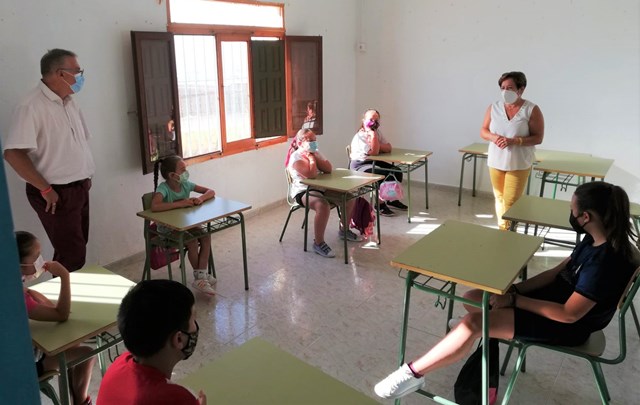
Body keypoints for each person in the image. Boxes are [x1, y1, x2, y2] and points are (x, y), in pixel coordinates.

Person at [374, 181, 637, 400]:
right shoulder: (594, 240)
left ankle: (412, 375)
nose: (571, 214)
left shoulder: (606, 262)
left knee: (473, 323)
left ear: (586, 217)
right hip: (553, 302)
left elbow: (569, 315)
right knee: (473, 297)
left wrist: (514, 300)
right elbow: (556, 273)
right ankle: (468, 335)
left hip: (567, 326)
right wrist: (511, 291)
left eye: (572, 210)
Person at [3, 49, 95, 271]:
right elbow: (13, 153)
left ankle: (63, 300)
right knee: (72, 255)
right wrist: (44, 189)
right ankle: (63, 304)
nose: (81, 76)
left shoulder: (70, 102)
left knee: (75, 249)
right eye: (77, 71)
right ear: (60, 74)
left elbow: (80, 142)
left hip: (79, 188)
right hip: (54, 193)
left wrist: (85, 177)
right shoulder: (31, 106)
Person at [96, 279, 206, 405]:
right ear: (179, 339)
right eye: (193, 319)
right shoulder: (175, 398)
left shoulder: (118, 364)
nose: (196, 326)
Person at [16, 231, 95, 405]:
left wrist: (43, 302)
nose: (41, 261)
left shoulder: (9, 280)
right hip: (23, 368)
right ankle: (80, 402)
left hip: (15, 358)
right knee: (87, 354)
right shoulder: (16, 297)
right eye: (36, 257)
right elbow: (61, 314)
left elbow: (29, 292)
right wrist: (64, 276)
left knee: (71, 342)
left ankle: (73, 399)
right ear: (19, 264)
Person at [480, 71, 545, 230]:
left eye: (509, 88)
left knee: (510, 201)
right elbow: (483, 130)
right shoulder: (493, 107)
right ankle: (505, 229)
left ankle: (507, 230)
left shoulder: (531, 109)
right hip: (496, 161)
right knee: (499, 197)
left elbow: (538, 137)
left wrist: (515, 141)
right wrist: (494, 138)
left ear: (521, 89)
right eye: (502, 88)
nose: (505, 91)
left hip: (518, 163)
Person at [286, 128, 362, 258]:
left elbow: (328, 169)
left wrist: (314, 155)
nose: (314, 143)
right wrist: (310, 158)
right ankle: (318, 243)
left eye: (315, 140)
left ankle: (344, 230)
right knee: (323, 206)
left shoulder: (315, 153)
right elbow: (312, 174)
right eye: (310, 141)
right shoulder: (295, 157)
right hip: (303, 191)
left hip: (321, 187)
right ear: (300, 143)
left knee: (349, 198)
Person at [152, 155, 216, 295]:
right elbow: (155, 206)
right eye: (183, 169)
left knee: (205, 236)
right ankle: (200, 278)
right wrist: (180, 203)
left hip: (186, 223)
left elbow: (210, 192)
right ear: (172, 175)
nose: (186, 172)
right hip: (167, 229)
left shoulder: (186, 184)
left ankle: (201, 275)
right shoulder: (164, 188)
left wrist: (200, 198)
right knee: (191, 241)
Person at [349, 108, 407, 217]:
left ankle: (391, 199)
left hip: (373, 161)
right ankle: (379, 205)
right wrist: (374, 137)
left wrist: (376, 143)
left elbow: (388, 147)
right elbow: (375, 152)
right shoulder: (361, 135)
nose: (374, 123)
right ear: (364, 120)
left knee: (397, 171)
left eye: (376, 120)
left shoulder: (377, 132)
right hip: (360, 165)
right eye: (371, 120)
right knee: (384, 175)